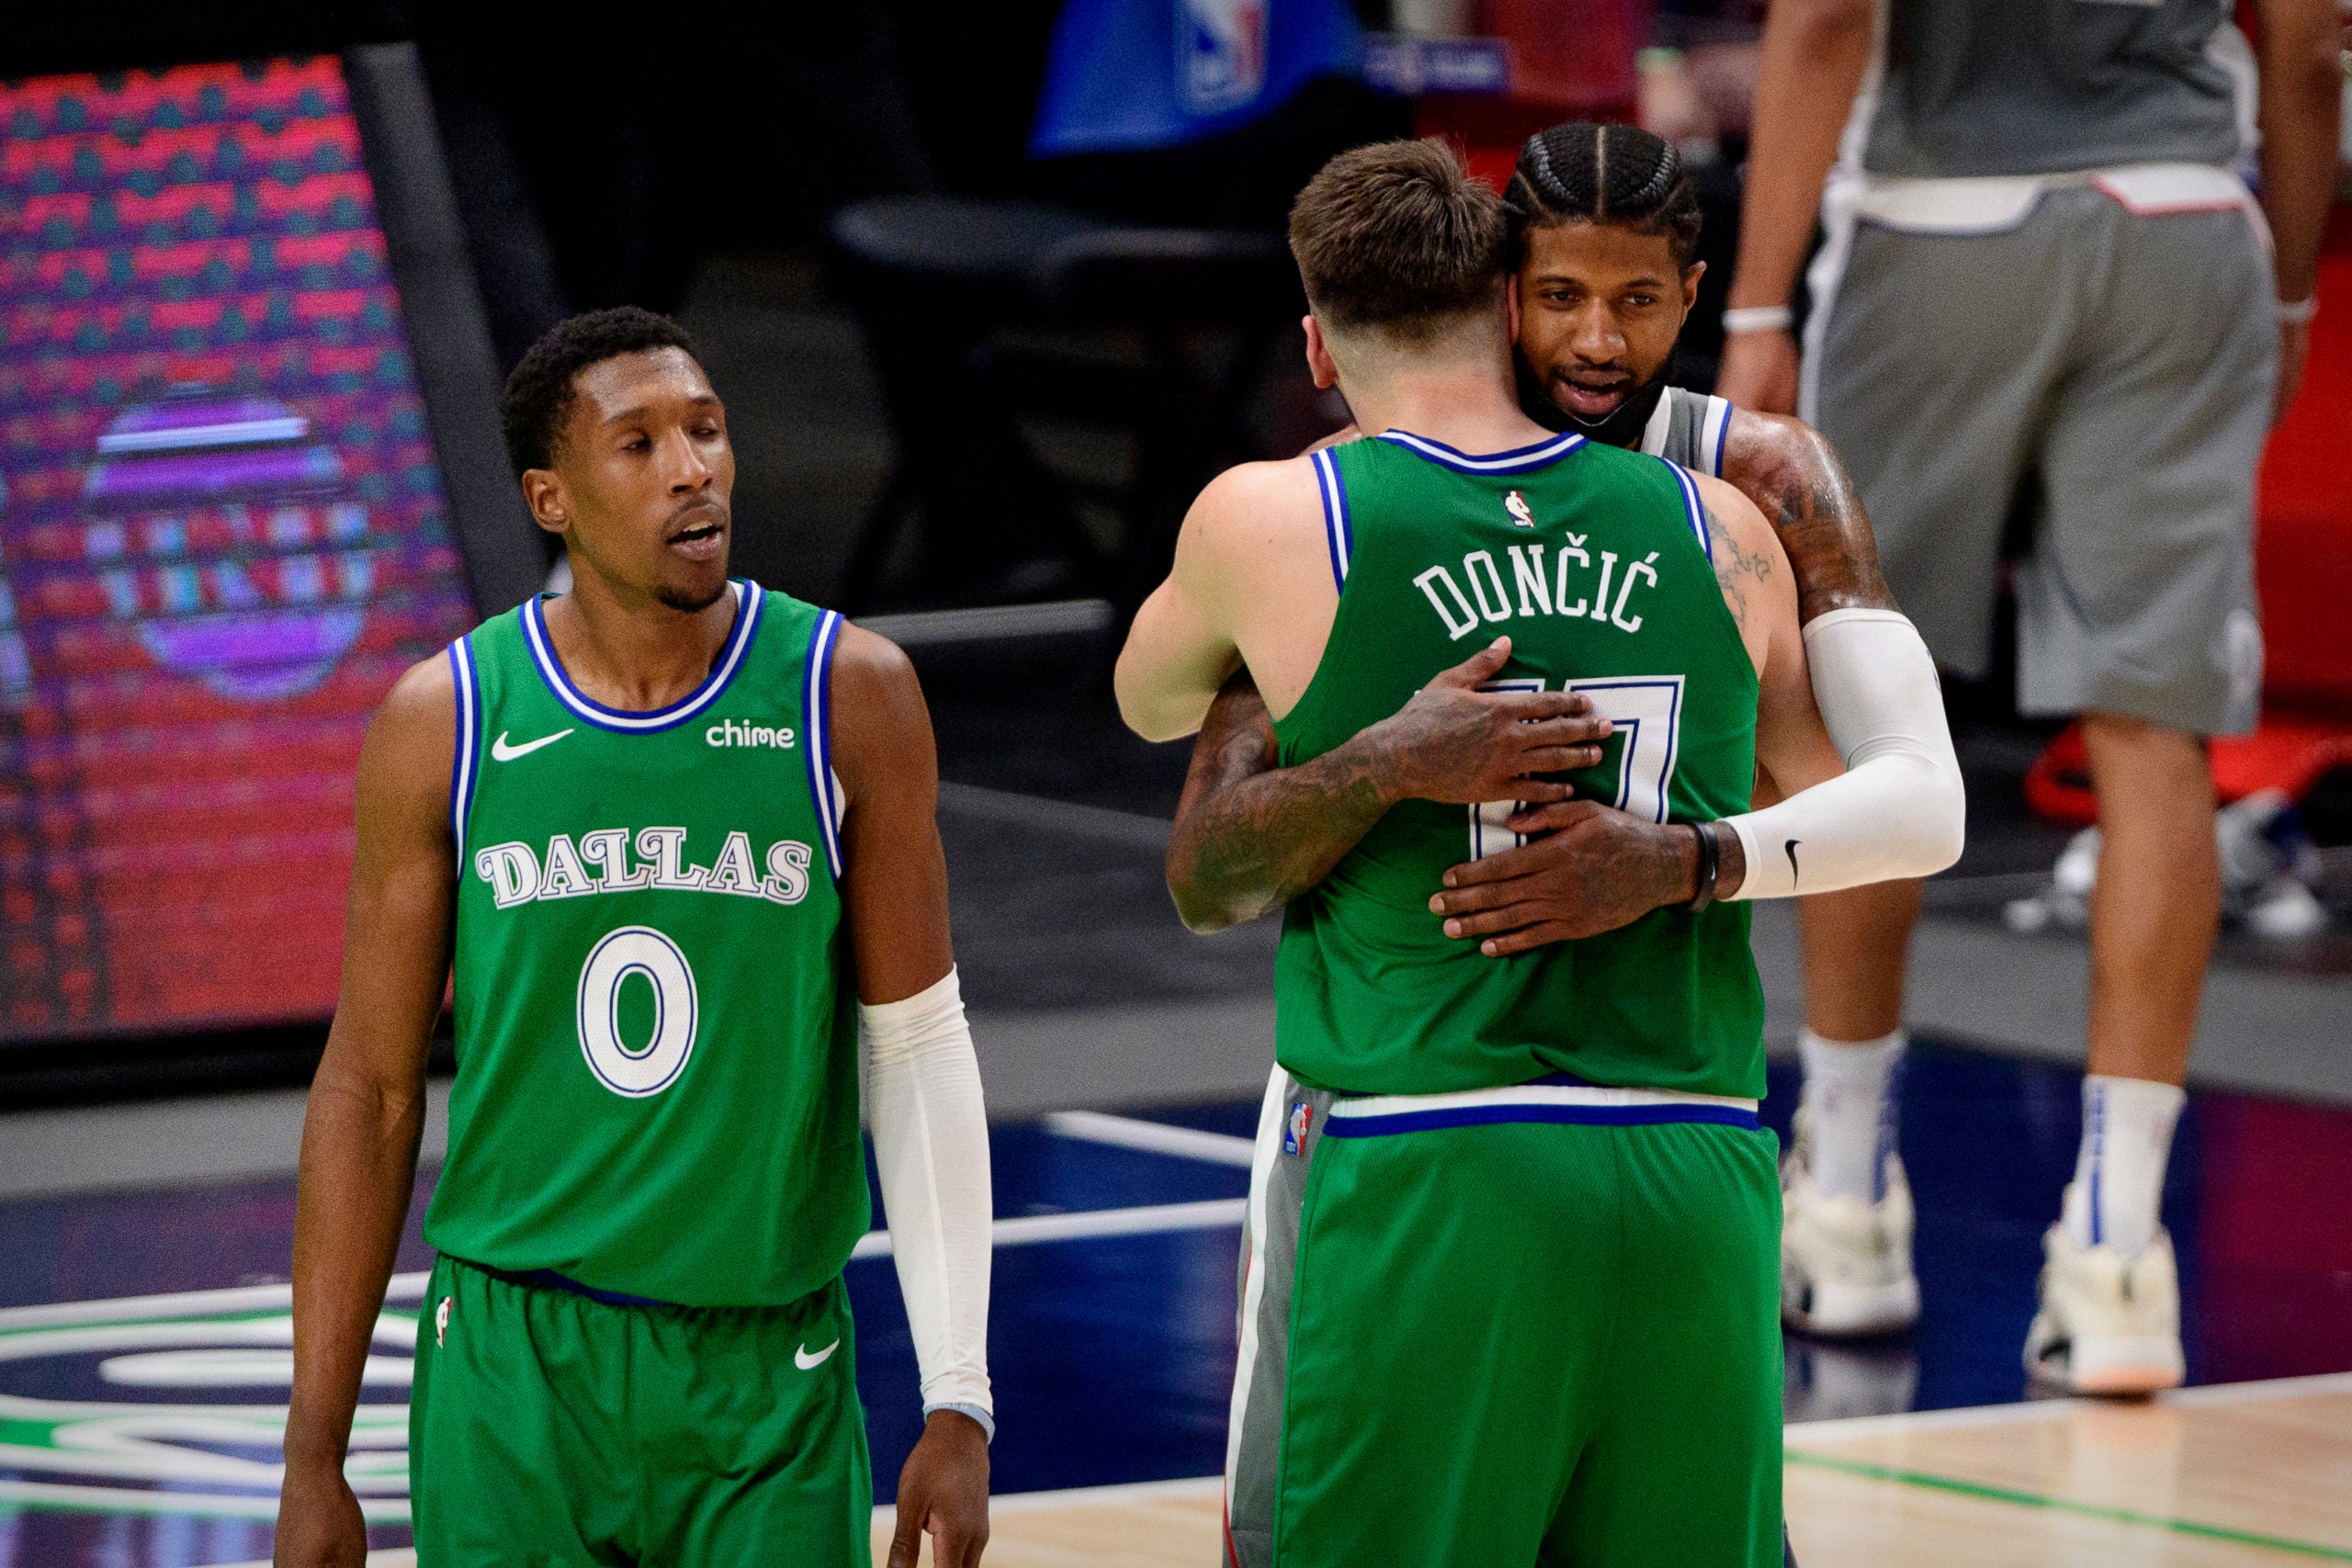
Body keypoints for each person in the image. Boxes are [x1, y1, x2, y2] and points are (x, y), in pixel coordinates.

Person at [1116, 139, 1961, 1568]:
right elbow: (1869, 793)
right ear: (1499, 295)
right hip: (1693, 1159)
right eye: (1559, 294)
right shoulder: (1727, 517)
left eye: (1634, 300)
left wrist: (1676, 857)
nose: (1593, 336)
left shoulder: (1300, 506)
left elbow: (1161, 738)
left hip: (1423, 1154)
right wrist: (1705, 845)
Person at [273, 308, 993, 1568]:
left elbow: (919, 1044)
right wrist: (314, 1456)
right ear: (551, 496)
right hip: (513, 1368)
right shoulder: (446, 720)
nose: (691, 468)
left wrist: (959, 1392)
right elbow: (372, 1093)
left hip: (764, 1375)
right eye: (640, 443)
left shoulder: (848, 693)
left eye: (706, 432)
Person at [1716, 0, 2341, 1393]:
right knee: (2154, 732)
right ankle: (2119, 1260)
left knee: (1865, 699)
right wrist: (2289, 283)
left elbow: (1821, 18)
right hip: (2181, 231)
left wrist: (1757, 306)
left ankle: (1851, 1205)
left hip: (1939, 229)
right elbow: (2309, 43)